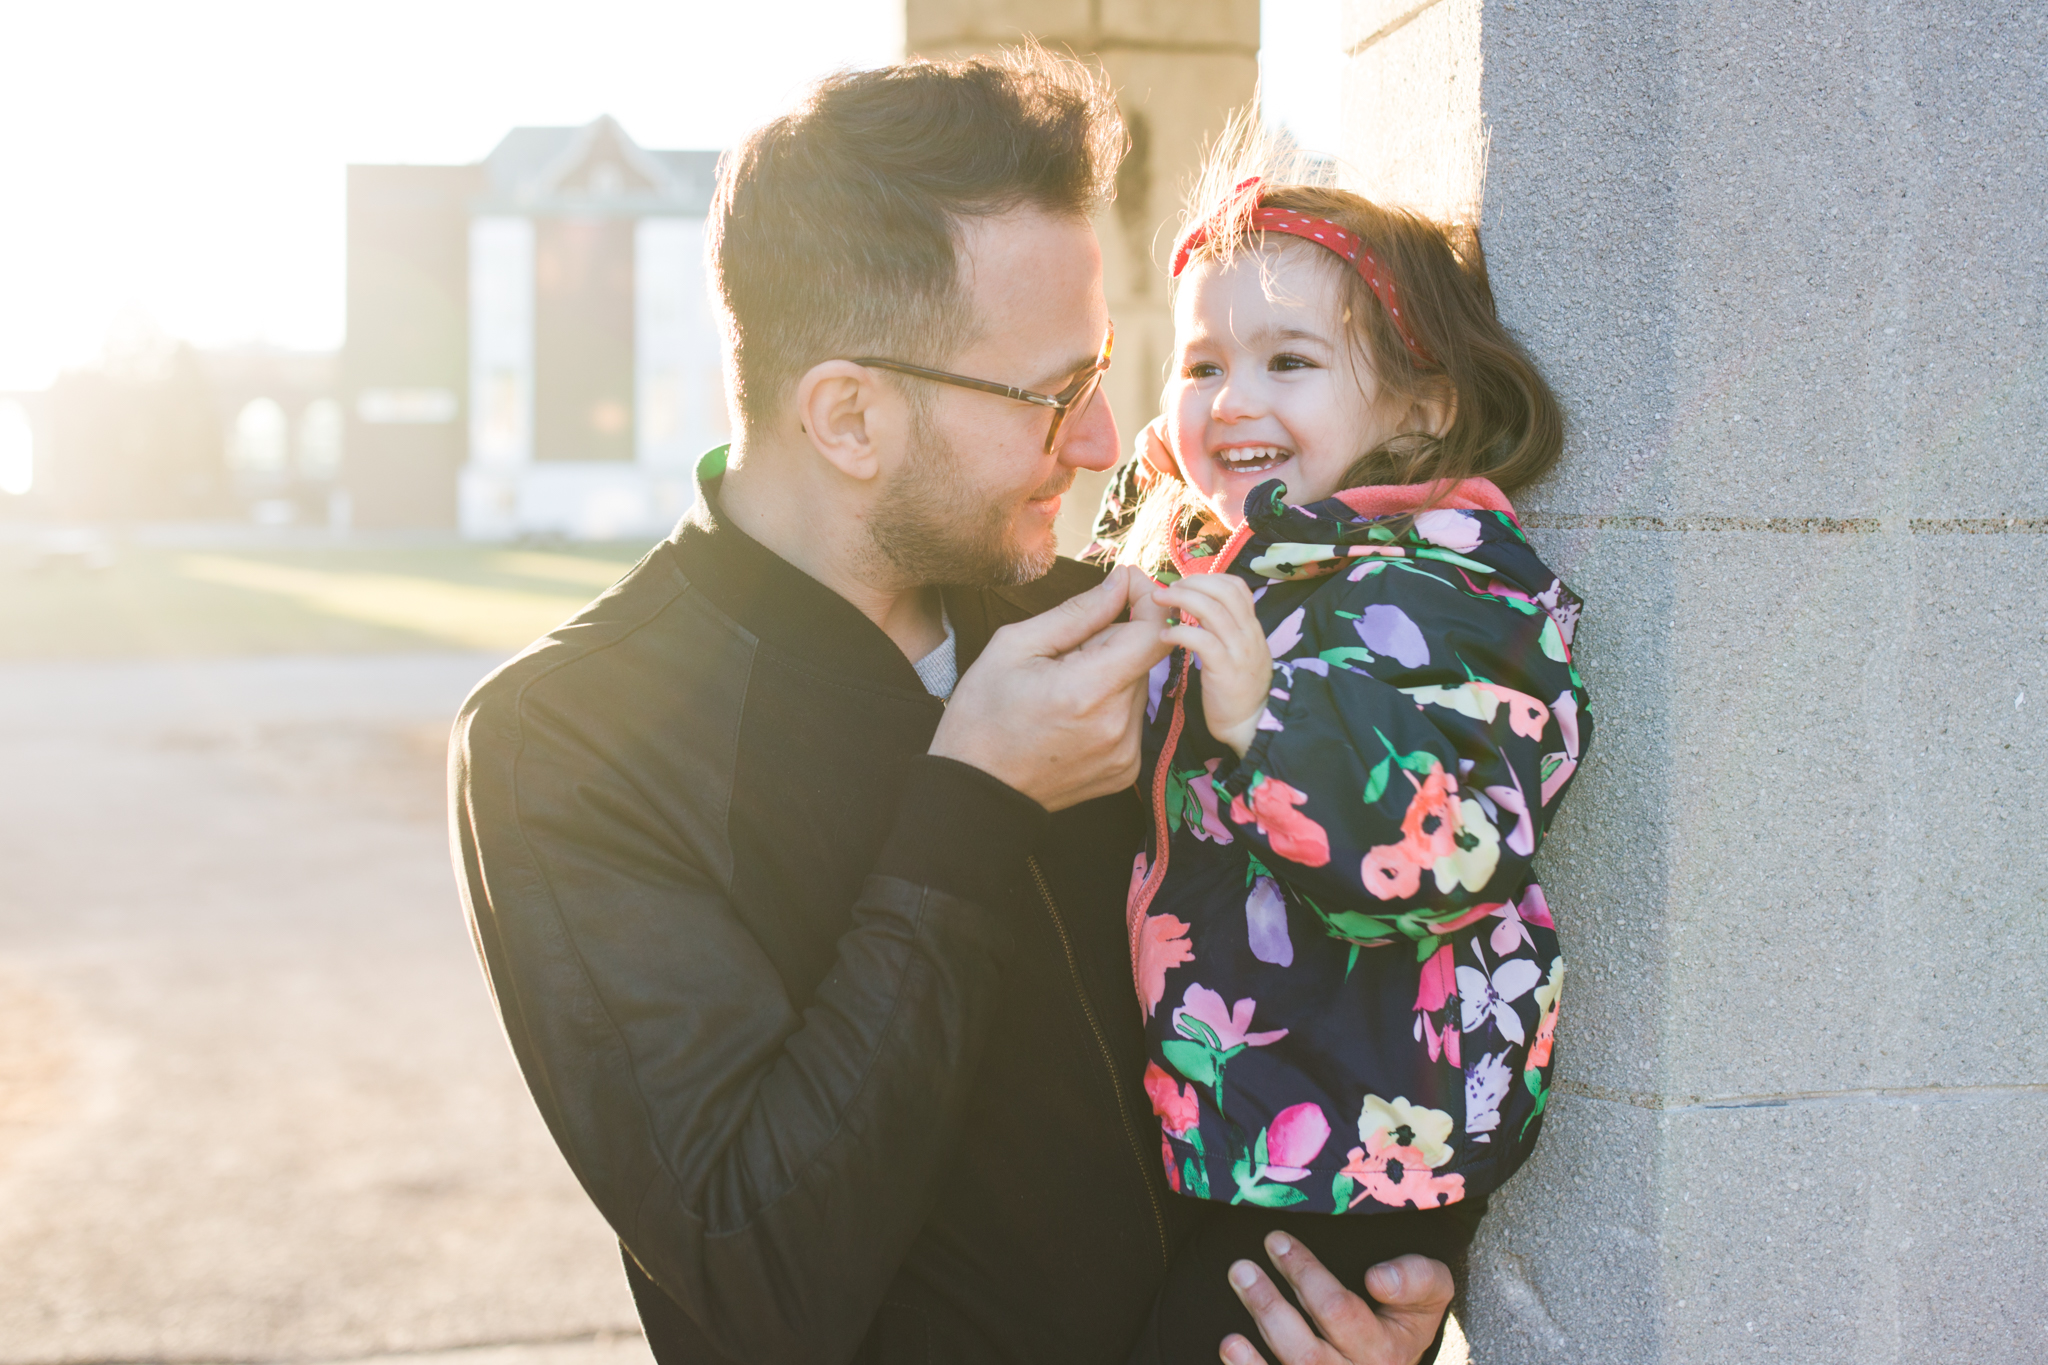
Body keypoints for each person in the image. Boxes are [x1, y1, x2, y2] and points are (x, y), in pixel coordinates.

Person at [450, 51, 1455, 1365]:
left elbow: (1349, 999)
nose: (1104, 441)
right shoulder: (567, 744)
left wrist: (1367, 1303)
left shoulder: (1121, 622)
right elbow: (760, 1278)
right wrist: (970, 806)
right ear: (850, 417)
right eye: (1050, 394)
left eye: (1101, 375)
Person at [1089, 128, 1589, 1365]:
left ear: (1420, 404)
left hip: (1356, 1152)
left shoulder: (1452, 588)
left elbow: (1449, 850)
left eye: (1288, 361)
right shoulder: (1217, 565)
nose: (1231, 399)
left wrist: (1266, 715)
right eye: (1200, 363)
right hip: (1230, 1120)